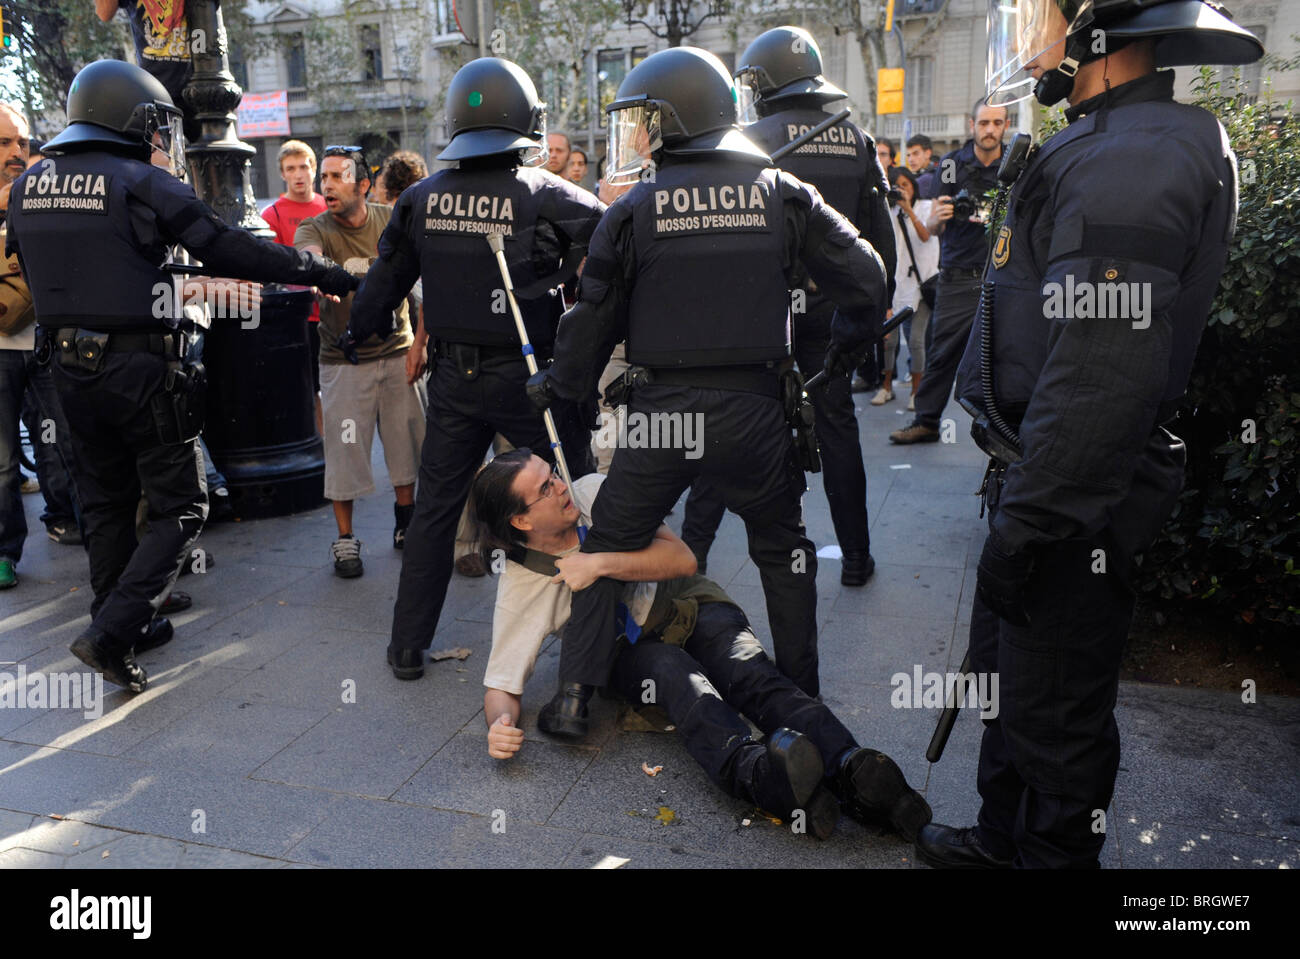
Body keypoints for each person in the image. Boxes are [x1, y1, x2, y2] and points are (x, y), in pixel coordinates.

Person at [915, 0, 1262, 869]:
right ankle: (1003, 841)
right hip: (1041, 477)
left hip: (1072, 495)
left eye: (1042, 19)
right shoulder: (1112, 136)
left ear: (1105, 30)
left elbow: (1099, 375)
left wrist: (1032, 522)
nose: (1029, 45)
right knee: (1013, 684)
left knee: (1056, 714)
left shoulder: (1135, 153)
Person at [527, 46, 888, 730]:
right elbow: (868, 277)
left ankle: (574, 699)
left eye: (643, 121)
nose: (636, 137)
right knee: (784, 552)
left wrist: (560, 384)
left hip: (663, 416)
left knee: (605, 545)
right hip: (757, 412)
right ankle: (802, 705)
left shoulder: (633, 209)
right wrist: (845, 347)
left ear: (673, 118)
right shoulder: (782, 193)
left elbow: (590, 324)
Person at [5, 60, 356, 691]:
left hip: (65, 368)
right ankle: (112, 631)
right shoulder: (144, 181)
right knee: (184, 505)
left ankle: (119, 623)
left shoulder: (27, 185)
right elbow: (228, 247)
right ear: (129, 118)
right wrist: (322, 272)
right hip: (139, 367)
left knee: (105, 505)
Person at [472, 449, 933, 840]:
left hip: (687, 602)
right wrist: (501, 725)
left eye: (552, 472)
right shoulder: (522, 584)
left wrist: (600, 564)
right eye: (545, 489)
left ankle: (854, 770)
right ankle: (760, 775)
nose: (560, 485)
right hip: (628, 651)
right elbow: (501, 684)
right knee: (681, 681)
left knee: (750, 671)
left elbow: (683, 557)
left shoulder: (595, 491)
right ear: (520, 519)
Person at [342, 57, 605, 681]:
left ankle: (407, 647)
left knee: (435, 511)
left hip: (454, 379)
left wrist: (361, 332)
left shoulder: (419, 197)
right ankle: (596, 647)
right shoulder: (549, 193)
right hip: (532, 378)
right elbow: (612, 252)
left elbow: (384, 285)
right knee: (580, 492)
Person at [679, 24, 899, 588]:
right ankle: (856, 558)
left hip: (763, 316)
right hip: (830, 314)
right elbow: (879, 244)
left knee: (727, 426)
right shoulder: (856, 140)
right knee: (838, 431)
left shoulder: (746, 139)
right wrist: (866, 324)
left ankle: (692, 558)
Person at [294, 146, 425, 575]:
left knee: (405, 445)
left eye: (337, 177)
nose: (326, 185)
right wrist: (318, 271)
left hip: (398, 355)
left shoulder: (390, 222)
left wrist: (420, 345)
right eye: (324, 177)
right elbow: (308, 254)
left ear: (364, 185)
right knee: (346, 449)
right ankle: (345, 539)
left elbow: (424, 284)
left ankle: (405, 522)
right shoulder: (314, 226)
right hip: (342, 362)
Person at [889, 99, 1007, 444]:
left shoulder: (1011, 166)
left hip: (1000, 273)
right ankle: (926, 421)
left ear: (1005, 124)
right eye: (984, 123)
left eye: (997, 123)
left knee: (1004, 354)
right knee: (942, 353)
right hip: (957, 273)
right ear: (973, 124)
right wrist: (937, 218)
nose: (990, 130)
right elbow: (933, 228)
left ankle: (1004, 427)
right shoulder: (952, 165)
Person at [262, 140, 328, 434]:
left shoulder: (329, 207)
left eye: (304, 166)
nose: (299, 174)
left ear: (313, 169)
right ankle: (321, 454)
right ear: (283, 174)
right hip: (299, 320)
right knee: (308, 390)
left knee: (339, 388)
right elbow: (270, 268)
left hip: (335, 316)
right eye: (291, 168)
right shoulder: (271, 215)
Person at [874, 165, 936, 410]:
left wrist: (908, 208)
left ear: (914, 185)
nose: (901, 190)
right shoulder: (886, 212)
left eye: (906, 185)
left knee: (916, 342)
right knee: (888, 341)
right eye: (896, 186)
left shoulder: (925, 207)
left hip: (921, 284)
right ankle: (886, 387)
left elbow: (925, 236)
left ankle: (915, 392)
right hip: (894, 285)